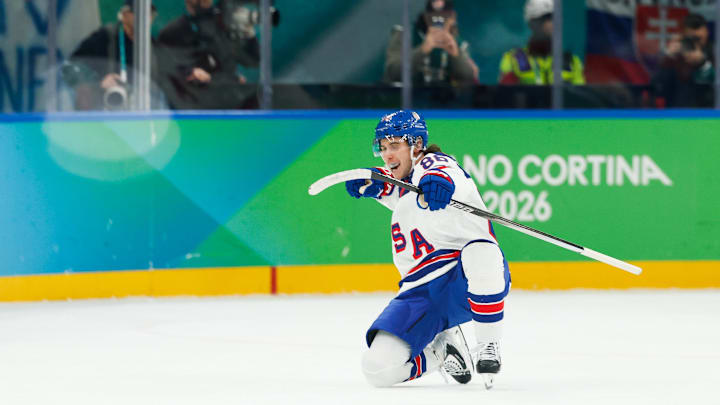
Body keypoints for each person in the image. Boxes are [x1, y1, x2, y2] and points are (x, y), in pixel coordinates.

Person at [345, 110, 511, 388]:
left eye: (394, 145)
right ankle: (439, 353)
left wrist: (440, 181)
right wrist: (371, 181)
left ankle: (488, 345)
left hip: (462, 277)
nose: (387, 154)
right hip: (420, 293)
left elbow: (443, 171)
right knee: (376, 370)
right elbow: (391, 187)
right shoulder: (405, 185)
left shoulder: (433, 165)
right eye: (382, 147)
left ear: (417, 145)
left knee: (482, 252)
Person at [156, 0, 262, 109]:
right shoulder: (172, 32)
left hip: (231, 105)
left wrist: (248, 33)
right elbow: (167, 72)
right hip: (194, 110)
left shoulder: (224, 25)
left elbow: (253, 61)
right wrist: (189, 72)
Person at [65, 0, 161, 110]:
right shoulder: (106, 37)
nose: (146, 19)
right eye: (140, 14)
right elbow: (70, 66)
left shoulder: (153, 45)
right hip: (105, 112)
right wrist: (98, 82)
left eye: (150, 14)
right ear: (125, 15)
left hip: (141, 113)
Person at [383, 0, 478, 85]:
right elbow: (392, 73)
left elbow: (469, 78)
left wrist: (456, 55)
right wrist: (422, 50)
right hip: (409, 99)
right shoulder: (404, 34)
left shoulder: (458, 42)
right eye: (433, 17)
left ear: (452, 18)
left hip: (445, 101)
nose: (438, 22)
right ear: (424, 15)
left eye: (444, 17)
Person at [498, 0, 584, 85]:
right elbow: (501, 94)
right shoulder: (512, 60)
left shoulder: (572, 61)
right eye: (549, 18)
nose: (555, 24)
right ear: (533, 23)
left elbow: (581, 96)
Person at [652, 13, 715, 107]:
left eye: (698, 39)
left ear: (707, 32)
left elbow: (713, 85)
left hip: (708, 114)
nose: (694, 43)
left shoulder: (715, 52)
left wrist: (702, 63)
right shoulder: (676, 56)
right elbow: (659, 89)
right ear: (683, 36)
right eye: (691, 39)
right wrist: (668, 57)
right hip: (677, 113)